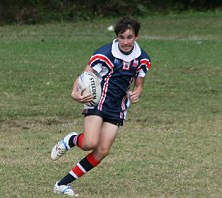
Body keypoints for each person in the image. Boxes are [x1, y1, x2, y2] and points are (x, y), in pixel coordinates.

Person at [51, 16, 151, 196]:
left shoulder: (142, 59)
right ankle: (72, 140)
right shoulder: (105, 54)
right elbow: (85, 74)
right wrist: (75, 92)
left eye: (129, 37)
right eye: (122, 37)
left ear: (136, 37)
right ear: (117, 37)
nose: (126, 41)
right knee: (89, 142)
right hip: (97, 101)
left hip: (117, 107)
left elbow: (139, 83)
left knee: (102, 150)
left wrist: (137, 92)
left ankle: (61, 184)